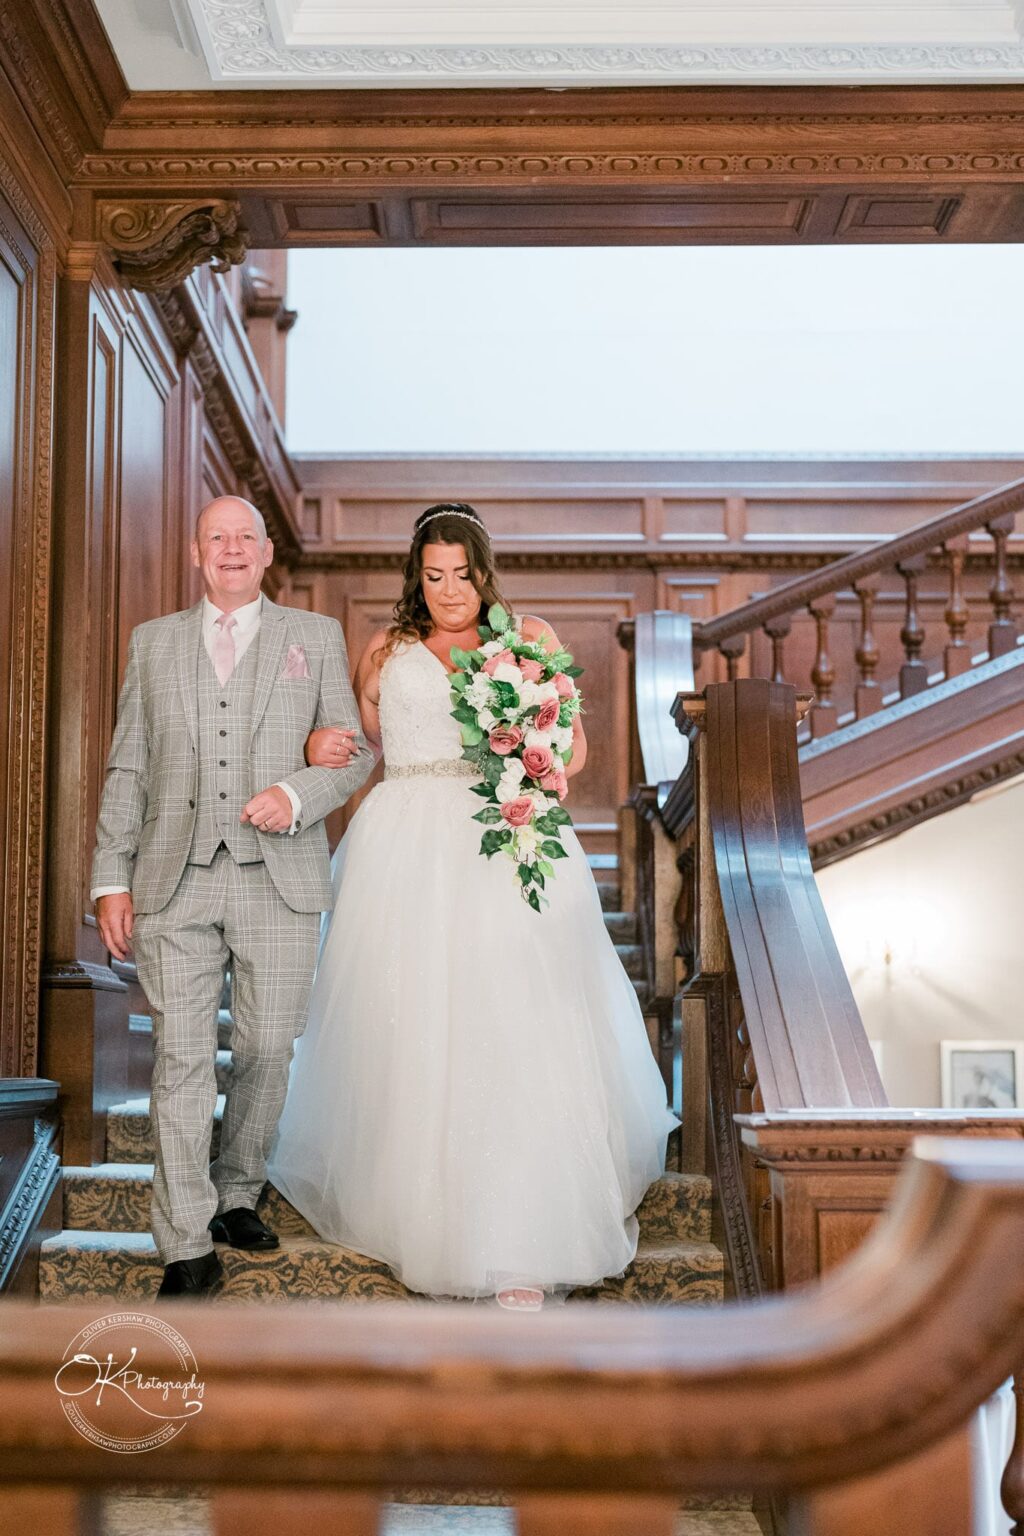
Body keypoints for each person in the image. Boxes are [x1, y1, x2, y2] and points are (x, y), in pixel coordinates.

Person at [267, 503, 677, 1305]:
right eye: (433, 575)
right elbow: (356, 751)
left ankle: (524, 1236)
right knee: (414, 1028)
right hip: (403, 844)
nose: (449, 589)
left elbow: (576, 751)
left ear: (483, 572)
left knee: (516, 1021)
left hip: (502, 837)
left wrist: (533, 746)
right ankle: (421, 1214)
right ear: (416, 577)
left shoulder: (526, 638)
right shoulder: (386, 649)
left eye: (461, 573)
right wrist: (317, 750)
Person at [91, 496, 373, 1298]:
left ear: (266, 553)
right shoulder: (153, 645)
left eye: (245, 536)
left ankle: (238, 1186)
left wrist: (295, 791)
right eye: (217, 537)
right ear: (195, 554)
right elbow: (128, 768)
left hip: (279, 878)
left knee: (264, 1048)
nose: (232, 548)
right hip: (172, 881)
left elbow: (352, 756)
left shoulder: (313, 638)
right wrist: (112, 875)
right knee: (182, 1058)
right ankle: (185, 1242)